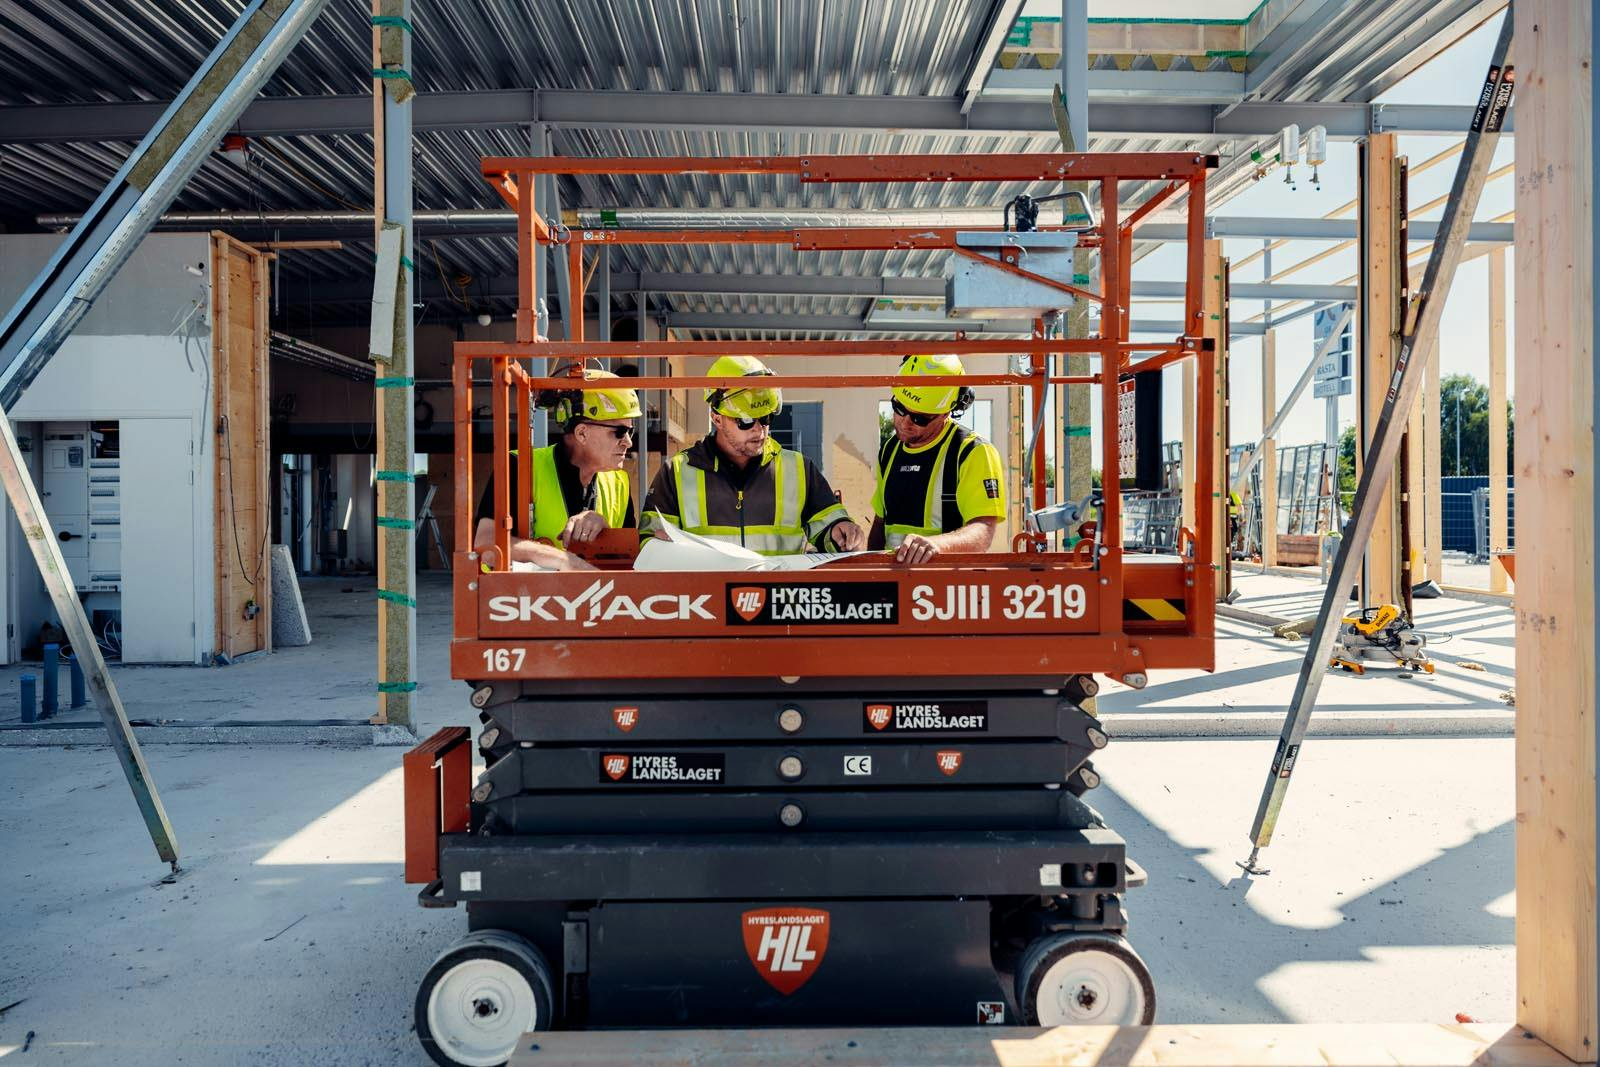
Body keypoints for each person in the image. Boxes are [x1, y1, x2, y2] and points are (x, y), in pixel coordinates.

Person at [641, 356, 865, 554]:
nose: (760, 430)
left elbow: (829, 526)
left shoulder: (799, 468)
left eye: (766, 418)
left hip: (781, 598)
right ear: (716, 417)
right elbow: (648, 539)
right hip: (707, 600)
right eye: (746, 421)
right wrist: (656, 546)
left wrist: (841, 530)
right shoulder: (676, 472)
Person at [473, 369, 640, 573]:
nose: (628, 442)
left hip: (597, 601)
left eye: (630, 431)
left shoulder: (618, 482)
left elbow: (629, 559)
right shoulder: (520, 466)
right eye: (619, 432)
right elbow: (486, 545)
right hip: (530, 602)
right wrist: (560, 559)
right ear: (581, 433)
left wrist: (605, 528)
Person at [869, 353, 1007, 564]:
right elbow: (880, 523)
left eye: (920, 418)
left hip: (945, 586)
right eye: (899, 408)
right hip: (893, 586)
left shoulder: (972, 452)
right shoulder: (889, 450)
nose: (905, 422)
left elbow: (983, 531)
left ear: (947, 413)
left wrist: (938, 544)